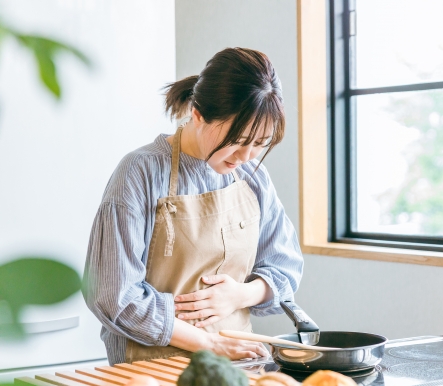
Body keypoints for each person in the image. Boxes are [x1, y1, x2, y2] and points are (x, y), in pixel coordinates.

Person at [83, 48, 303, 365]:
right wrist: (207, 343)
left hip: (236, 366)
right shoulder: (139, 173)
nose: (247, 157)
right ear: (198, 115)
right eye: (239, 140)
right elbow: (113, 295)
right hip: (151, 368)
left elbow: (284, 266)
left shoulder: (252, 178)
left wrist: (240, 295)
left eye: (259, 144)